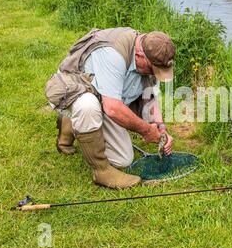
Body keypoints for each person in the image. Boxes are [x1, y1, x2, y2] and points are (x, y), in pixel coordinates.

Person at [53, 27, 175, 189]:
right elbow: (112, 108)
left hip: (106, 98)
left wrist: (161, 128)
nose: (154, 73)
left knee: (123, 159)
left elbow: (150, 96)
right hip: (74, 91)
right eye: (153, 69)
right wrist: (146, 130)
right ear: (139, 56)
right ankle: (101, 171)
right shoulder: (113, 53)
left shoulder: (151, 53)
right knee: (87, 105)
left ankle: (74, 122)